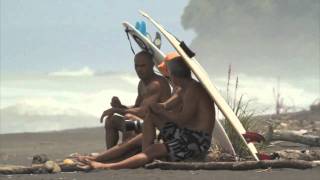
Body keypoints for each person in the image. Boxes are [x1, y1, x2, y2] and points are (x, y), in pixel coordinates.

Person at [83, 56, 216, 169]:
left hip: (196, 140)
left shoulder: (193, 90)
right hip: (184, 133)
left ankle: (108, 166)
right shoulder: (183, 88)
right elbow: (164, 106)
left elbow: (182, 120)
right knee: (151, 116)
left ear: (174, 75)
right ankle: (144, 152)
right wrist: (156, 107)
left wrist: (161, 111)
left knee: (147, 142)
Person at [101, 51, 171, 149]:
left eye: (143, 66)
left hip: (158, 128)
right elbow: (137, 107)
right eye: (136, 66)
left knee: (129, 119)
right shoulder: (141, 83)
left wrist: (117, 110)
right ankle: (110, 153)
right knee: (111, 120)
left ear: (152, 65)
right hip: (145, 123)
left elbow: (143, 112)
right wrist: (120, 106)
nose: (139, 70)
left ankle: (125, 154)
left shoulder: (157, 84)